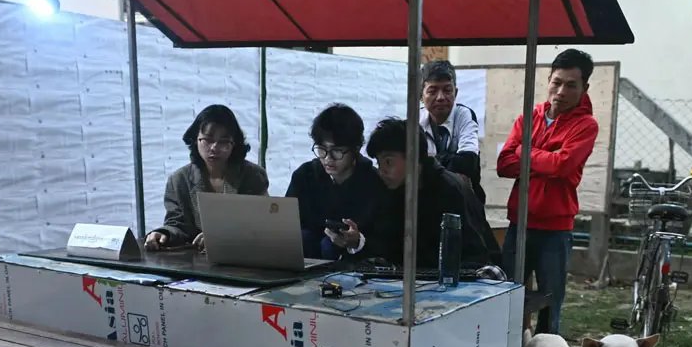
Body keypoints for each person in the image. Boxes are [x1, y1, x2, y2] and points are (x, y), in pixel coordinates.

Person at [496, 48, 599, 334]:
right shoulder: (529, 118)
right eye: (557, 82)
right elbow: (504, 165)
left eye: (571, 85)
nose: (561, 91)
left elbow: (562, 166)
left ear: (584, 88)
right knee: (505, 298)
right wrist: (546, 159)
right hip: (519, 223)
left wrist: (525, 152)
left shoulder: (586, 125)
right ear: (549, 80)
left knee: (550, 306)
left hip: (555, 229)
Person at [344, 117, 496, 269]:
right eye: (379, 163)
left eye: (388, 162)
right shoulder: (391, 190)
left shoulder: (449, 189)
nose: (382, 171)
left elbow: (474, 255)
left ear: (413, 157)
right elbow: (387, 245)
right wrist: (357, 241)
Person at [145, 105, 268, 251]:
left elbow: (262, 223)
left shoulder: (253, 175)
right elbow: (176, 223)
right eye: (207, 140)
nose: (214, 147)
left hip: (242, 256)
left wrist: (221, 236)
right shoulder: (179, 180)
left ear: (234, 144)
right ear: (195, 140)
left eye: (223, 141)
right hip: (194, 259)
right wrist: (164, 233)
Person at [285, 104, 384, 259]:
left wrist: (358, 241)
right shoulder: (304, 175)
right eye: (321, 149)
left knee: (329, 245)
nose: (327, 158)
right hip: (306, 260)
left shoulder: (374, 182)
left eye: (337, 151)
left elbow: (384, 240)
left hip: (353, 264)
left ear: (356, 148)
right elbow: (287, 224)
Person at [418, 59, 485, 203]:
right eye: (432, 91)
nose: (440, 97)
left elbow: (467, 163)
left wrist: (428, 163)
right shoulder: (415, 121)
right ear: (421, 95)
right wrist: (449, 161)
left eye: (447, 90)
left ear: (456, 92)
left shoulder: (464, 115)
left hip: (463, 202)